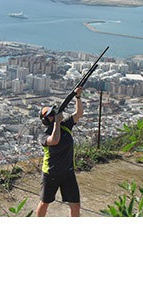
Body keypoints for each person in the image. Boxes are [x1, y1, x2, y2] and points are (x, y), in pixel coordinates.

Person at [36, 87, 84, 217]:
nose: (54, 115)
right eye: (51, 115)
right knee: (44, 203)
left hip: (68, 172)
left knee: (75, 204)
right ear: (47, 120)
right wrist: (57, 123)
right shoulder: (43, 135)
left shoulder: (65, 125)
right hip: (51, 174)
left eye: (54, 113)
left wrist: (78, 97)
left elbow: (79, 113)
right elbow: (54, 140)